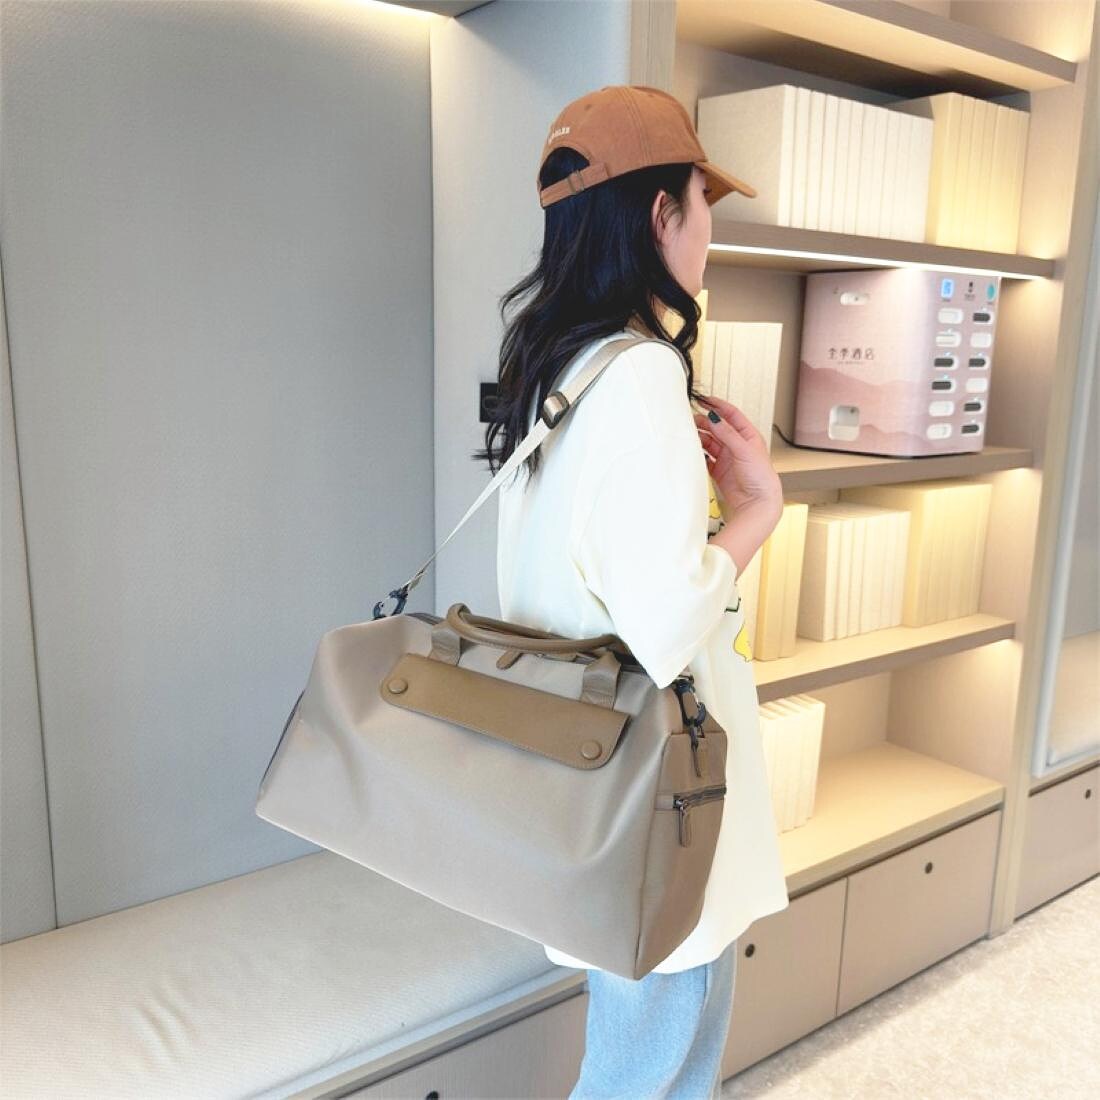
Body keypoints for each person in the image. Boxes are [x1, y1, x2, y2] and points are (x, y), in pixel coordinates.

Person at [475, 85, 791, 1099]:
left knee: (635, 1058)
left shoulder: (553, 365)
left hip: (588, 774)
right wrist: (757, 507)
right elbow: (663, 626)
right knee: (654, 1074)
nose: (707, 231)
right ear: (661, 212)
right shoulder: (643, 374)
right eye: (702, 202)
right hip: (660, 793)